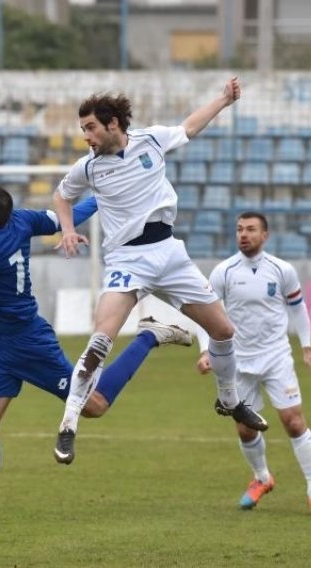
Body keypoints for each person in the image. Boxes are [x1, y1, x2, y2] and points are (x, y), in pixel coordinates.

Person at [0, 184, 192, 550]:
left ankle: (148, 335)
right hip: (0, 344)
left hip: (29, 345)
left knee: (94, 407)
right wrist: (105, 193)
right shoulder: (21, 221)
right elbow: (70, 216)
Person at [51, 76, 268, 465]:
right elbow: (62, 194)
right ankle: (68, 426)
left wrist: (222, 99)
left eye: (90, 128)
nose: (86, 136)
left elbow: (189, 127)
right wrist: (68, 230)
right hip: (126, 262)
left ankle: (230, 400)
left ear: (113, 124)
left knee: (223, 331)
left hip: (169, 254)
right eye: (83, 129)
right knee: (101, 340)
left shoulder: (151, 140)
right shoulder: (89, 167)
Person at [196, 212, 311, 511]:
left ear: (265, 235)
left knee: (294, 422)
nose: (243, 234)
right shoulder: (224, 271)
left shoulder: (282, 270)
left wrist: (307, 346)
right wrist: (205, 350)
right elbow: (202, 311)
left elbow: (298, 309)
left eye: (250, 229)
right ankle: (262, 477)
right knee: (246, 429)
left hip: (276, 356)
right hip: (237, 361)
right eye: (239, 230)